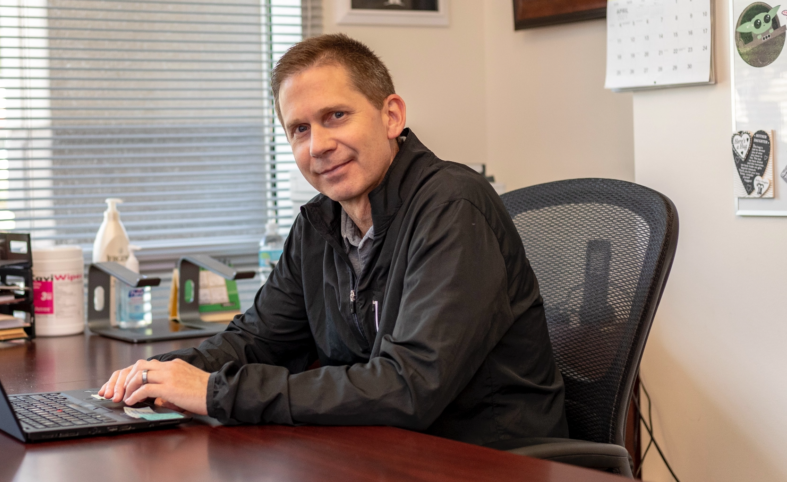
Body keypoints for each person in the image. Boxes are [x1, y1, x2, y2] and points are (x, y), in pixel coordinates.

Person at [99, 33, 567, 446]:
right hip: (380, 449)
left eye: (336, 116)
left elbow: (409, 387)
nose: (318, 145)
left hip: (485, 460)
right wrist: (160, 373)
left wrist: (214, 392)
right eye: (299, 129)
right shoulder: (319, 223)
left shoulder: (451, 207)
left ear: (391, 116)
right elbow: (257, 339)